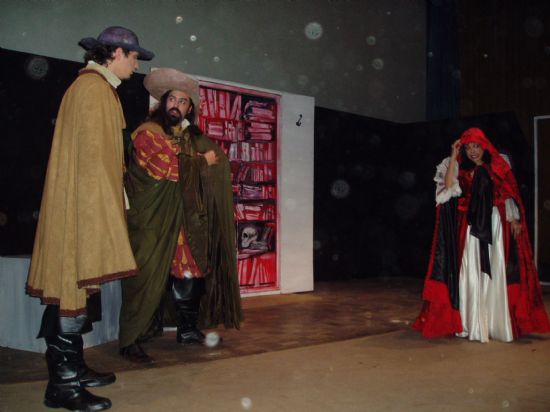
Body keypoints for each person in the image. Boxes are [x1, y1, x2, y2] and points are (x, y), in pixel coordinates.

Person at [26, 26, 154, 411]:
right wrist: (105, 217)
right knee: (71, 286)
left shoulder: (95, 90)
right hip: (81, 211)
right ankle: (62, 385)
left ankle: (74, 368)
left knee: (75, 289)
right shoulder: (93, 91)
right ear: (116, 53)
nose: (138, 65)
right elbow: (94, 167)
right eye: (134, 57)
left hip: (81, 206)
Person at [118, 68, 242, 363]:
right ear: (162, 104)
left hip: (182, 219)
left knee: (191, 270)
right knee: (147, 274)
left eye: (183, 102)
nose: (176, 105)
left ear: (189, 108)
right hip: (153, 220)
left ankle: (187, 329)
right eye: (172, 99)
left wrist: (207, 160)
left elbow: (215, 158)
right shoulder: (148, 132)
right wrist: (202, 163)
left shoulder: (187, 136)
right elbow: (166, 167)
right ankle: (131, 338)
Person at [412, 127, 550, 342]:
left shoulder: (497, 166)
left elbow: (507, 193)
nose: (473, 151)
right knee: (471, 269)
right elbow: (448, 188)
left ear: (484, 147)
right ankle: (471, 321)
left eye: (476, 146)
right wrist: (453, 153)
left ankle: (496, 321)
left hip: (495, 226)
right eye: (468, 147)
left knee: (495, 270)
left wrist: (513, 218)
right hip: (471, 227)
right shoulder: (459, 169)